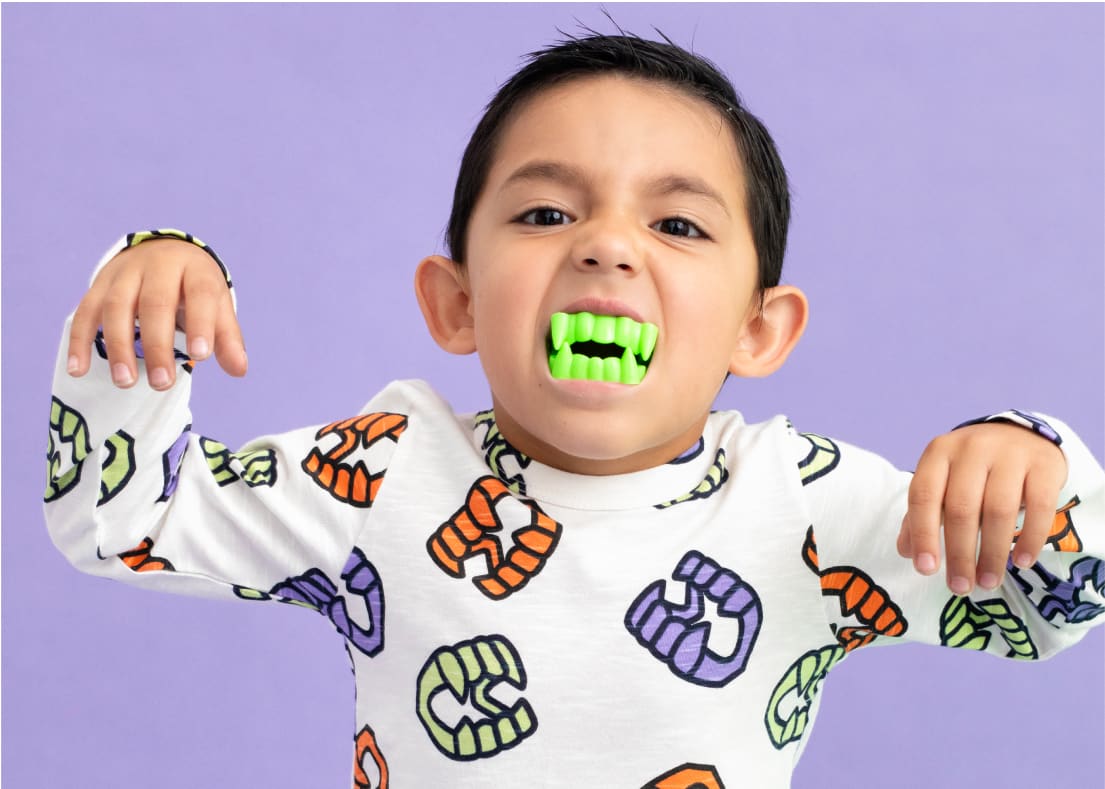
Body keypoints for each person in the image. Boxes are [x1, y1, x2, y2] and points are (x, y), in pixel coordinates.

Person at [44, 33, 1104, 788]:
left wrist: (1031, 464)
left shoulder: (807, 508)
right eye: (546, 212)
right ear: (455, 302)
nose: (606, 245)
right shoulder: (381, 478)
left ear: (759, 331)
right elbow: (123, 521)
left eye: (679, 226)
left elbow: (1047, 609)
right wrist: (143, 305)